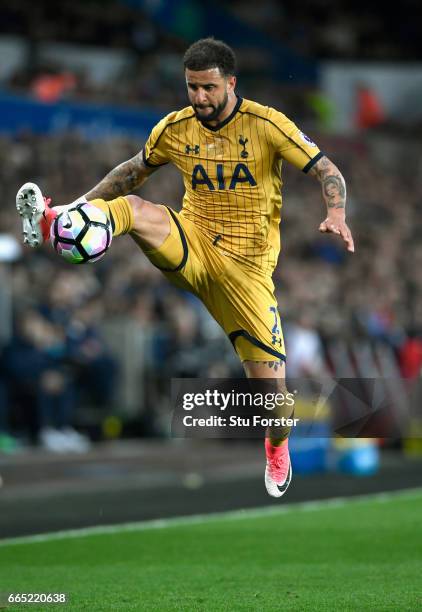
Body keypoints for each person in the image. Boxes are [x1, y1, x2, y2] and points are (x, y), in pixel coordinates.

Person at [15, 38, 354, 497]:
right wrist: (79, 204)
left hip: (247, 275)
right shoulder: (174, 128)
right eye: (192, 87)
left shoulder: (267, 124)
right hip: (192, 242)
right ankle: (63, 224)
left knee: (273, 400)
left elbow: (326, 169)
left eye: (208, 88)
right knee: (133, 207)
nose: (199, 98)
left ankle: (277, 448)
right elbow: (130, 172)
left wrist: (336, 213)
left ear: (230, 83)